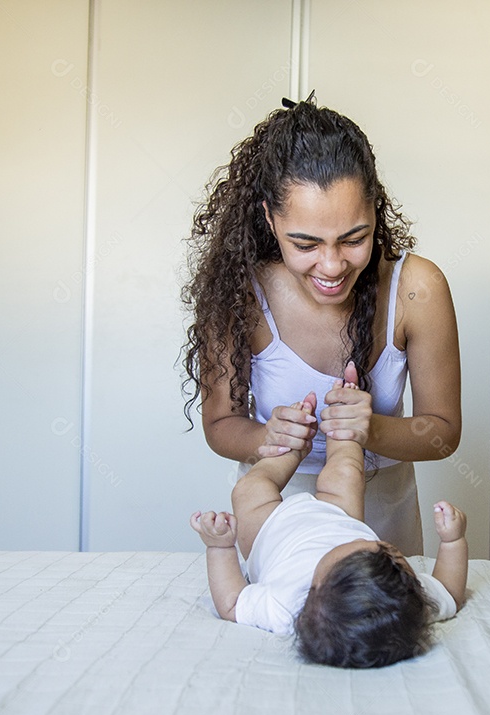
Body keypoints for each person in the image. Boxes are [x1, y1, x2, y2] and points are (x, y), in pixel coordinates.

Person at [181, 95, 461, 555]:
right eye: (306, 244)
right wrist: (267, 437)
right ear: (270, 218)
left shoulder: (417, 288)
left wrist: (371, 429)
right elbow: (220, 424)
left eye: (354, 239)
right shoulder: (239, 291)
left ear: (375, 211)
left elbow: (443, 433)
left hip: (383, 515)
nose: (332, 266)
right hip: (275, 516)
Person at [189, 369, 468, 668]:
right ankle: (342, 418)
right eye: (388, 554)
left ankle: (291, 446)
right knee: (346, 471)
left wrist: (219, 547)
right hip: (339, 518)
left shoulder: (285, 608)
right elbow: (450, 592)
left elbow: (231, 603)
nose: (381, 547)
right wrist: (452, 541)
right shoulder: (402, 598)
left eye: (361, 551)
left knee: (250, 490)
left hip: (270, 532)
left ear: (313, 591)